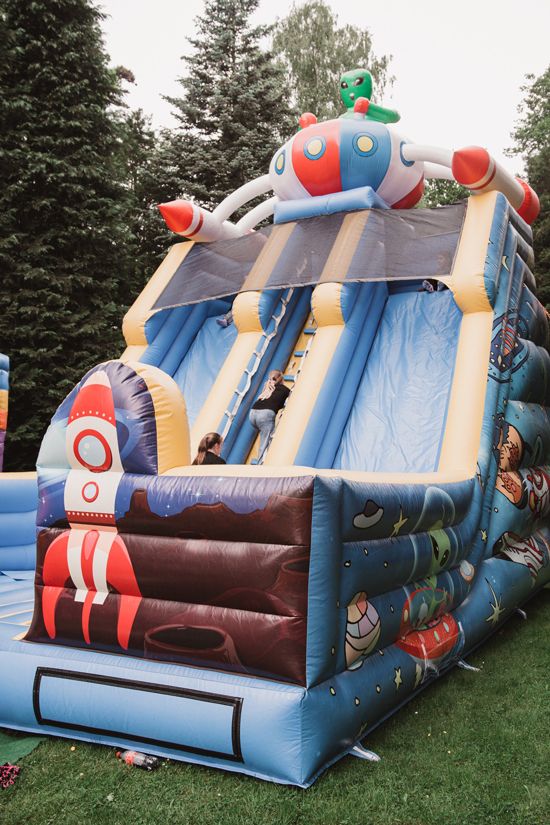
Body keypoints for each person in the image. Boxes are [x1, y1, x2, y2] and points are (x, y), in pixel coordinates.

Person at [249, 370, 291, 463]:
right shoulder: (284, 389)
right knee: (265, 443)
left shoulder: (267, 387)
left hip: (253, 413)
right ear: (281, 380)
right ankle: (260, 465)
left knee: (264, 435)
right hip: (265, 415)